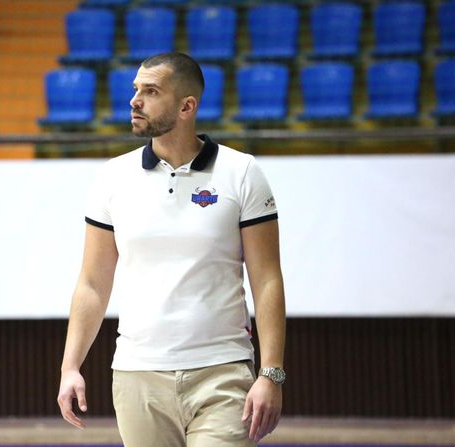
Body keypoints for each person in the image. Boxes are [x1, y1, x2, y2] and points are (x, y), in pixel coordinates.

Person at [57, 52, 286, 447]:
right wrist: (70, 366)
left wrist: (271, 373)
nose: (135, 101)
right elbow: (93, 283)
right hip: (137, 375)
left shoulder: (242, 172)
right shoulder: (112, 177)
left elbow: (267, 279)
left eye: (150, 91)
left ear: (186, 106)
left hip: (222, 372)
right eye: (136, 90)